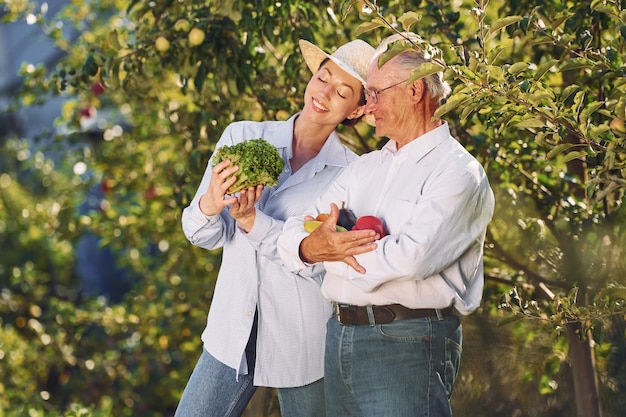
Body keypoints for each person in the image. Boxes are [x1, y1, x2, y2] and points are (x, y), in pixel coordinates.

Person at [276, 32, 495, 417]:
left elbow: (409, 260)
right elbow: (296, 230)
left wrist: (328, 250)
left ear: (413, 91)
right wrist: (314, 246)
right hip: (340, 336)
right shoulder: (365, 168)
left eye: (375, 93)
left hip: (408, 342)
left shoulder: (459, 173)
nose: (367, 106)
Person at [175, 38, 376, 417]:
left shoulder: (353, 174)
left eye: (342, 92)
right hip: (230, 331)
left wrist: (253, 221)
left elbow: (320, 262)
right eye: (323, 78)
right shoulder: (242, 136)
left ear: (357, 109)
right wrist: (210, 204)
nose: (324, 94)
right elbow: (202, 233)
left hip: (301, 344)